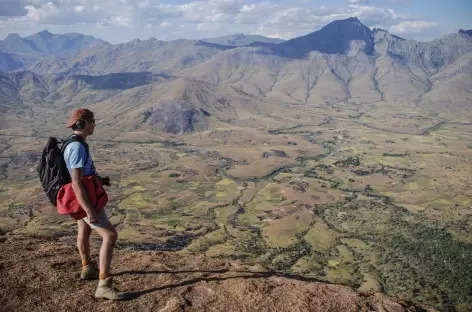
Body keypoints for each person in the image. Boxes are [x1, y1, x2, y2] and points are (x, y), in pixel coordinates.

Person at [64, 108, 124, 300]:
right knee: (110, 235)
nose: (94, 125)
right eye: (92, 121)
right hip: (84, 199)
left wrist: (98, 180)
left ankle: (87, 267)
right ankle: (103, 285)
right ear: (83, 123)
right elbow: (76, 182)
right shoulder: (77, 147)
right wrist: (89, 209)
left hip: (80, 198)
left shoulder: (75, 144)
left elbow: (81, 176)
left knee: (84, 229)